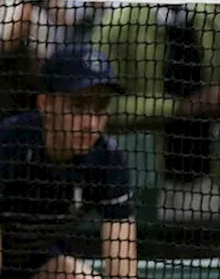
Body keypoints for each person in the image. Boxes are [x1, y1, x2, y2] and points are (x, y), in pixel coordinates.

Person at [0, 47, 137, 279]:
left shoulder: (107, 160)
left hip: (36, 260)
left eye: (101, 107)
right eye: (78, 106)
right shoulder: (8, 147)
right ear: (45, 104)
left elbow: (123, 267)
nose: (91, 123)